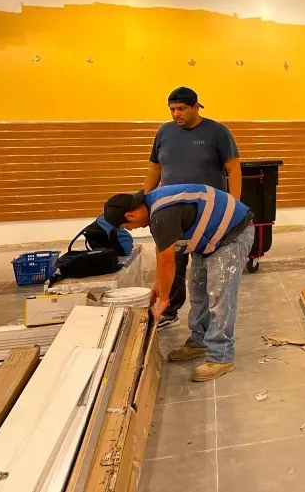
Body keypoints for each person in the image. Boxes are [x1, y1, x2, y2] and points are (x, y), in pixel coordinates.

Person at [103, 185, 254, 382]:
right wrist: (159, 285)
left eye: (126, 227)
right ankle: (199, 341)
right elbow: (162, 250)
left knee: (220, 295)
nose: (131, 230)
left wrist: (164, 299)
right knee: (198, 291)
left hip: (233, 234)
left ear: (130, 215)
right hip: (211, 237)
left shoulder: (161, 215)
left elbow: (167, 261)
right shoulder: (154, 206)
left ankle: (222, 356)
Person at [144, 87, 241, 329]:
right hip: (171, 211)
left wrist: (234, 204)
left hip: (206, 214)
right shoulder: (164, 132)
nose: (176, 114)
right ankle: (170, 310)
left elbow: (233, 168)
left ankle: (208, 324)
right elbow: (155, 168)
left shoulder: (217, 132)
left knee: (205, 271)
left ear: (197, 106)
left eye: (181, 109)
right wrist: (146, 200)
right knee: (172, 261)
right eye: (172, 110)